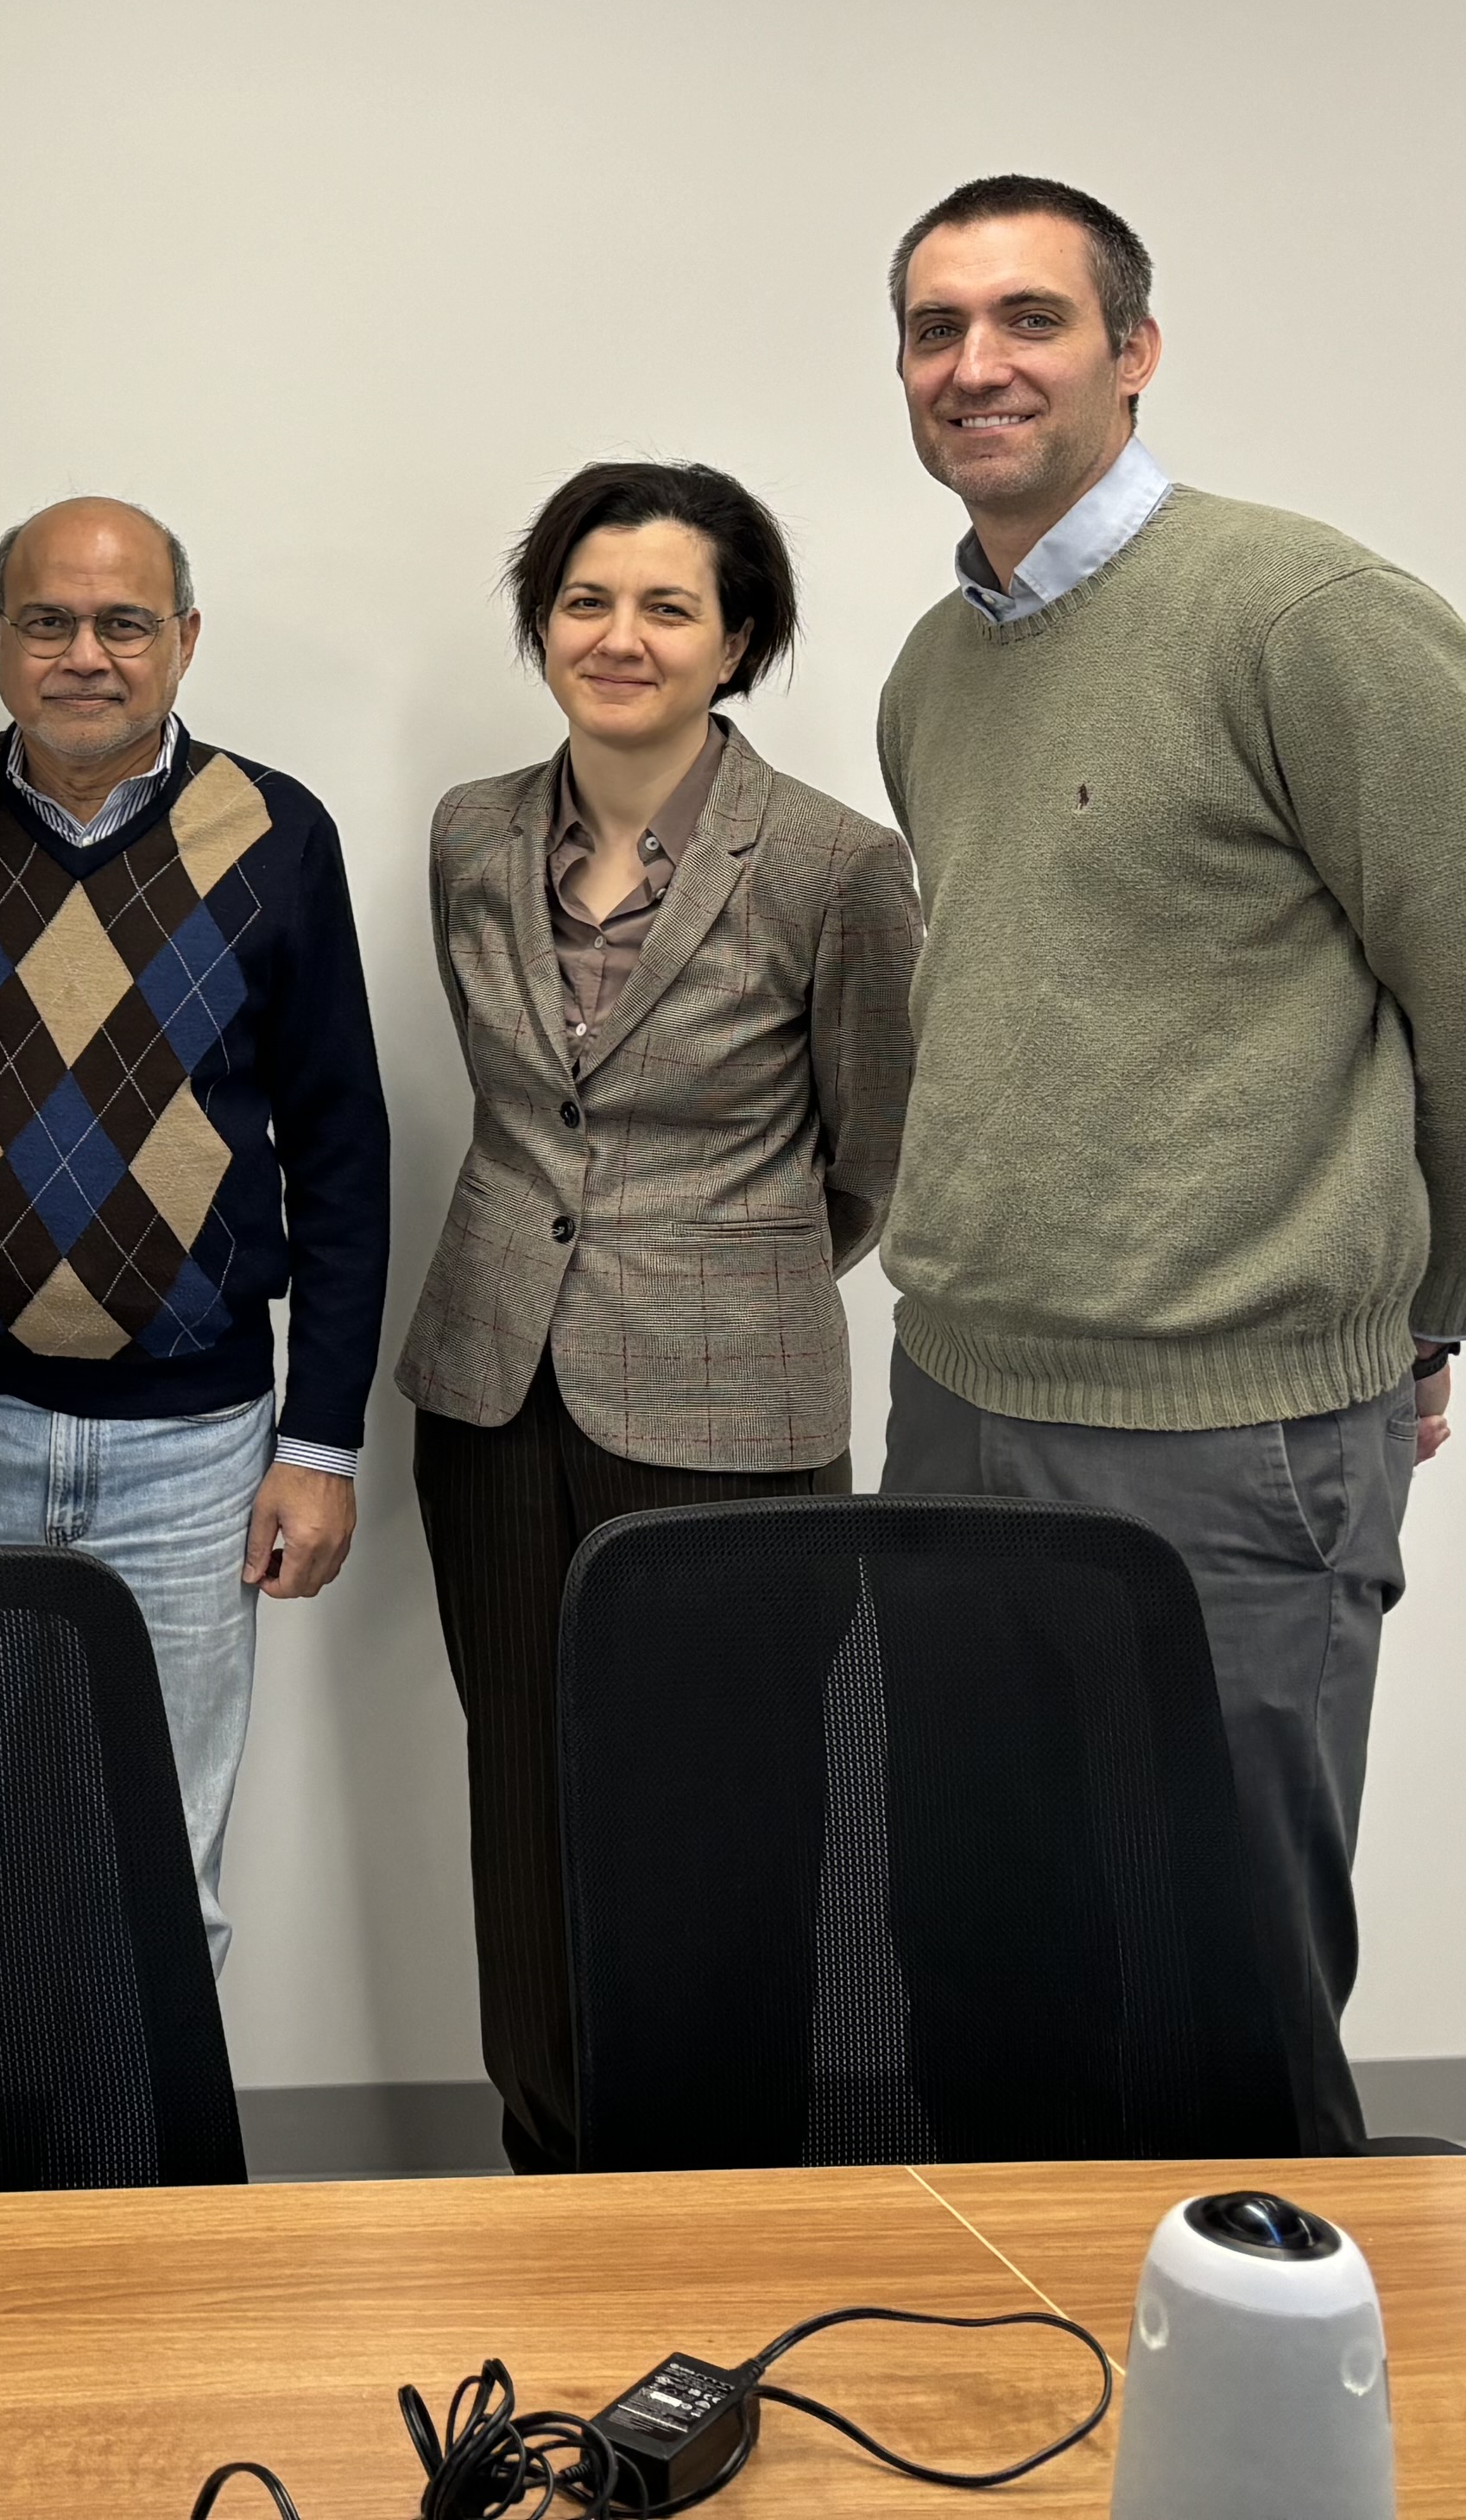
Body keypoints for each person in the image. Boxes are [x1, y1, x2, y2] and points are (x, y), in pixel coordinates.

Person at [872, 173, 1466, 2154]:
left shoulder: (1308, 619)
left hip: (1227, 1434)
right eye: (937, 330)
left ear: (1134, 351)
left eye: (1029, 318)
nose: (977, 364)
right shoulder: (936, 673)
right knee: (983, 1964)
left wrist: (1427, 1314)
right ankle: (1025, 2412)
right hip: (958, 1405)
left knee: (1217, 1999)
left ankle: (1258, 2435)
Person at [402, 460, 919, 2174]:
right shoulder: (475, 832)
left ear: (739, 637)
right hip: (491, 1395)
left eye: (666, 606)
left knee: (734, 1822)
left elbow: (874, 1155)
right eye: (585, 600)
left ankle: (724, 2187)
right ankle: (551, 2167)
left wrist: (721, 1275)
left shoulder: (836, 867)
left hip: (732, 1411)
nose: (618, 638)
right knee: (528, 1812)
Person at [0, 497, 389, 1972]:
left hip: (193, 1454)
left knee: (147, 1885)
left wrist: (321, 1437)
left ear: (183, 640)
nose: (83, 654)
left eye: (122, 622)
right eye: (47, 619)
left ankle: (130, 2214)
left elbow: (340, 1147)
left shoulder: (274, 834)